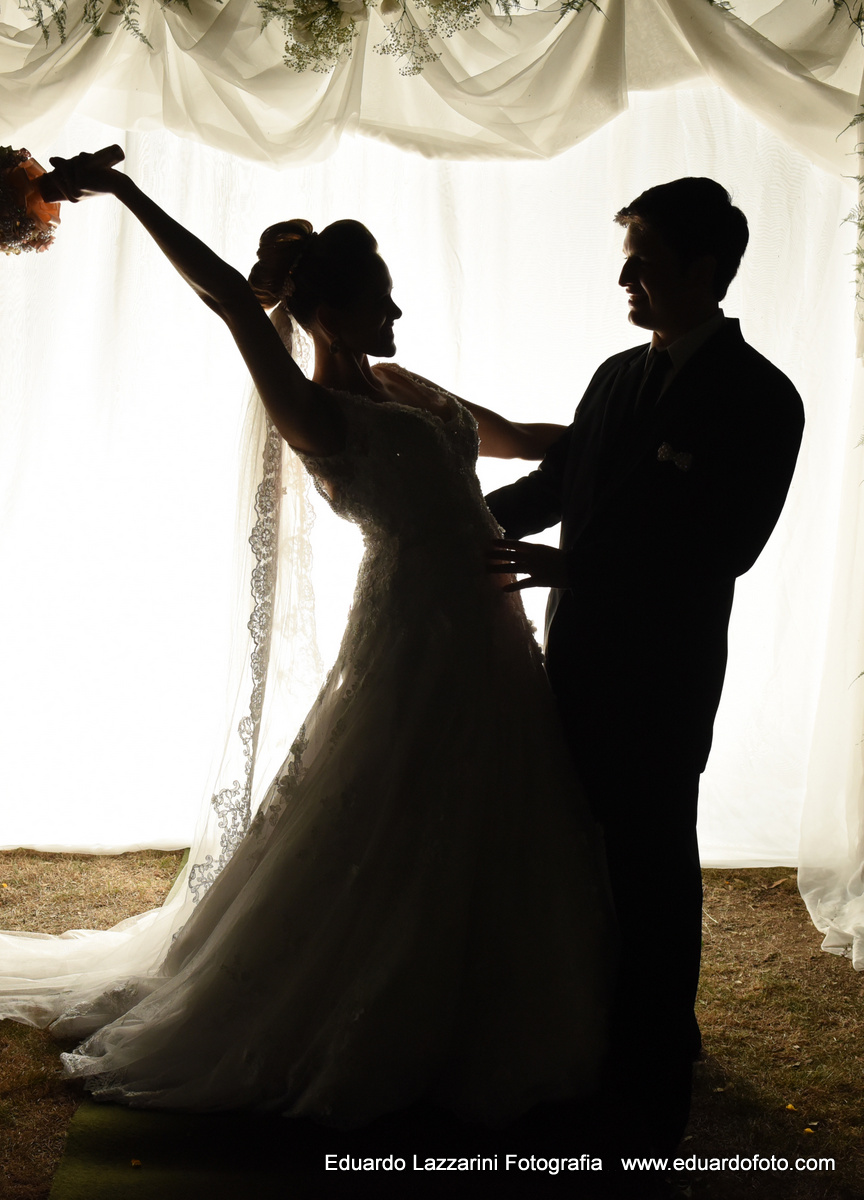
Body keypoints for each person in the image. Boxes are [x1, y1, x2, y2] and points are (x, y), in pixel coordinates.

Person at [45, 152, 616, 1128]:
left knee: (498, 809)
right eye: (381, 299)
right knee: (398, 815)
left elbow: (522, 438)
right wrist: (129, 192)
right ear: (330, 313)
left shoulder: (407, 384)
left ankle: (484, 1003)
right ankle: (371, 1013)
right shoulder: (310, 409)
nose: (396, 314)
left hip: (492, 632)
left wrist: (630, 434)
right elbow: (228, 298)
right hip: (412, 636)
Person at [486, 178, 804, 1161]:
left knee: (656, 871)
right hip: (572, 658)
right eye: (625, 257)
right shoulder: (616, 375)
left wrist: (584, 565)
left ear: (703, 273)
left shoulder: (762, 397)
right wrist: (444, 526)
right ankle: (608, 1037)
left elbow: (728, 542)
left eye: (645, 260)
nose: (624, 277)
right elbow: (559, 485)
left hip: (662, 678)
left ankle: (653, 1097)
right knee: (584, 862)